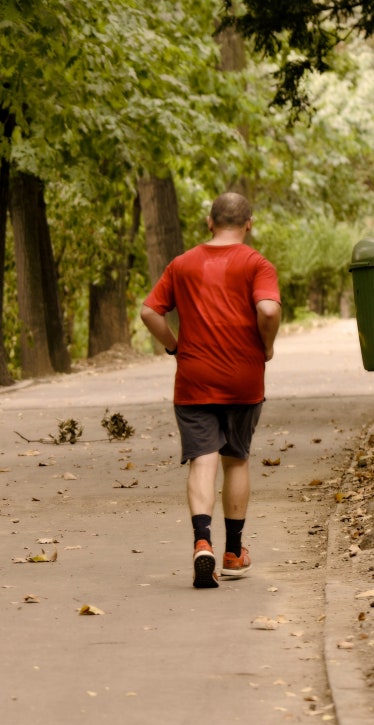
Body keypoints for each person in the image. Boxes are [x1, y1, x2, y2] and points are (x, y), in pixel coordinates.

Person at [140, 192, 281, 589]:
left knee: (203, 461)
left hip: (194, 377)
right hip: (243, 377)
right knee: (235, 460)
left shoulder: (182, 264)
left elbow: (150, 311)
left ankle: (202, 541)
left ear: (209, 222)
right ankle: (234, 553)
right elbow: (268, 310)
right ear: (249, 223)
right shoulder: (257, 264)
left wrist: (174, 346)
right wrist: (266, 345)